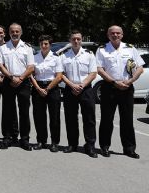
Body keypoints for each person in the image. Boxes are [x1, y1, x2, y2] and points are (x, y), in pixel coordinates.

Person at [96, 25, 145, 159]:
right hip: (109, 88)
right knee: (107, 119)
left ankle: (129, 149)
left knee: (127, 120)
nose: (115, 35)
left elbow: (140, 68)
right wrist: (114, 82)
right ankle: (104, 146)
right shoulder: (102, 49)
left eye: (118, 33)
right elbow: (100, 69)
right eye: (112, 33)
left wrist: (130, 81)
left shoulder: (130, 48)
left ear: (122, 35)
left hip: (127, 88)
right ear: (108, 35)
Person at [60, 30, 98, 158]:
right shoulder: (64, 56)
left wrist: (81, 85)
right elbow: (61, 74)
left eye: (78, 39)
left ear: (81, 40)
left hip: (86, 89)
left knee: (89, 119)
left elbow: (93, 73)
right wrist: (72, 85)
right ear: (70, 41)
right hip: (70, 89)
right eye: (73, 39)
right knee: (70, 118)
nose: (76, 41)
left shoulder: (89, 55)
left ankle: (90, 145)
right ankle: (72, 144)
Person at [0, 23, 34, 151]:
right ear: (9, 33)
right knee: (8, 111)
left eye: (17, 31)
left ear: (21, 32)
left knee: (24, 111)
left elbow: (31, 67)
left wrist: (20, 78)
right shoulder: (3, 48)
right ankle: (8, 137)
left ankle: (24, 139)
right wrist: (10, 77)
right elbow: (0, 65)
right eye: (12, 31)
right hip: (8, 81)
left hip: (23, 82)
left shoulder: (27, 48)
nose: (15, 33)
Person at [30, 35, 63, 152]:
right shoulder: (34, 57)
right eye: (42, 44)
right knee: (39, 116)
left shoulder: (56, 58)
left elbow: (59, 76)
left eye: (46, 44)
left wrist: (48, 89)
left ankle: (54, 142)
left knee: (54, 117)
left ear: (50, 45)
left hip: (52, 88)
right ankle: (41, 141)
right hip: (37, 87)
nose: (43, 46)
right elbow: (30, 74)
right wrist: (38, 88)